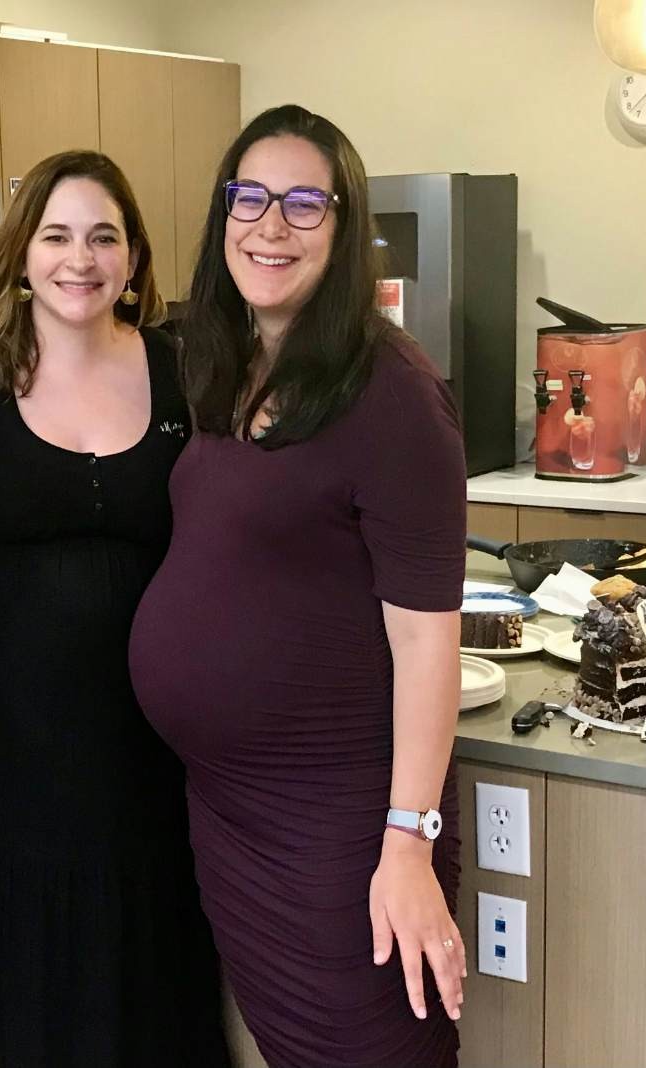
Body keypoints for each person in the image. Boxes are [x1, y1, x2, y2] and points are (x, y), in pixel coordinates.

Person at [129, 104, 470, 1068]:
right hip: (231, 809)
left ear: (345, 228)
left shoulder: (391, 394)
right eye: (250, 196)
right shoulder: (226, 365)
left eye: (304, 203)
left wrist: (406, 842)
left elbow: (426, 640)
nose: (270, 225)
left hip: (339, 819)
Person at [0, 151, 227, 1067]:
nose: (81, 259)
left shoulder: (184, 371)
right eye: (57, 235)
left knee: (137, 926)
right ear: (21, 252)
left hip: (140, 737)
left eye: (104, 237)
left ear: (134, 258)